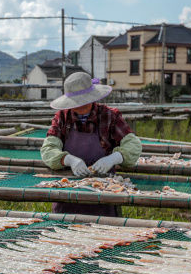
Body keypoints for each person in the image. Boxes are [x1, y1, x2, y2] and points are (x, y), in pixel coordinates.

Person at [40, 71, 141, 217]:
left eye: (84, 101)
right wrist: (68, 160)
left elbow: (133, 144)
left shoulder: (109, 116)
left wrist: (114, 158)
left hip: (104, 192)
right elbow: (48, 149)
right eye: (76, 103)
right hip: (68, 192)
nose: (80, 106)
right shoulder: (62, 118)